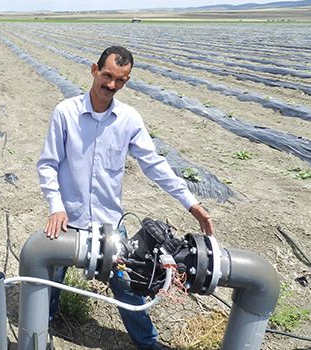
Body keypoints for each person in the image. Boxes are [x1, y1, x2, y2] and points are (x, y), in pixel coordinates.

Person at [36, 46, 214, 350]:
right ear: (94, 70)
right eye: (107, 76)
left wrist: (191, 203)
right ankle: (42, 328)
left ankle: (147, 343)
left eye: (121, 80)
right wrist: (56, 207)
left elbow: (154, 164)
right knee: (50, 277)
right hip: (69, 219)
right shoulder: (65, 113)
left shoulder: (128, 119)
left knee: (127, 283)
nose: (112, 85)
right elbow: (48, 164)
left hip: (109, 223)